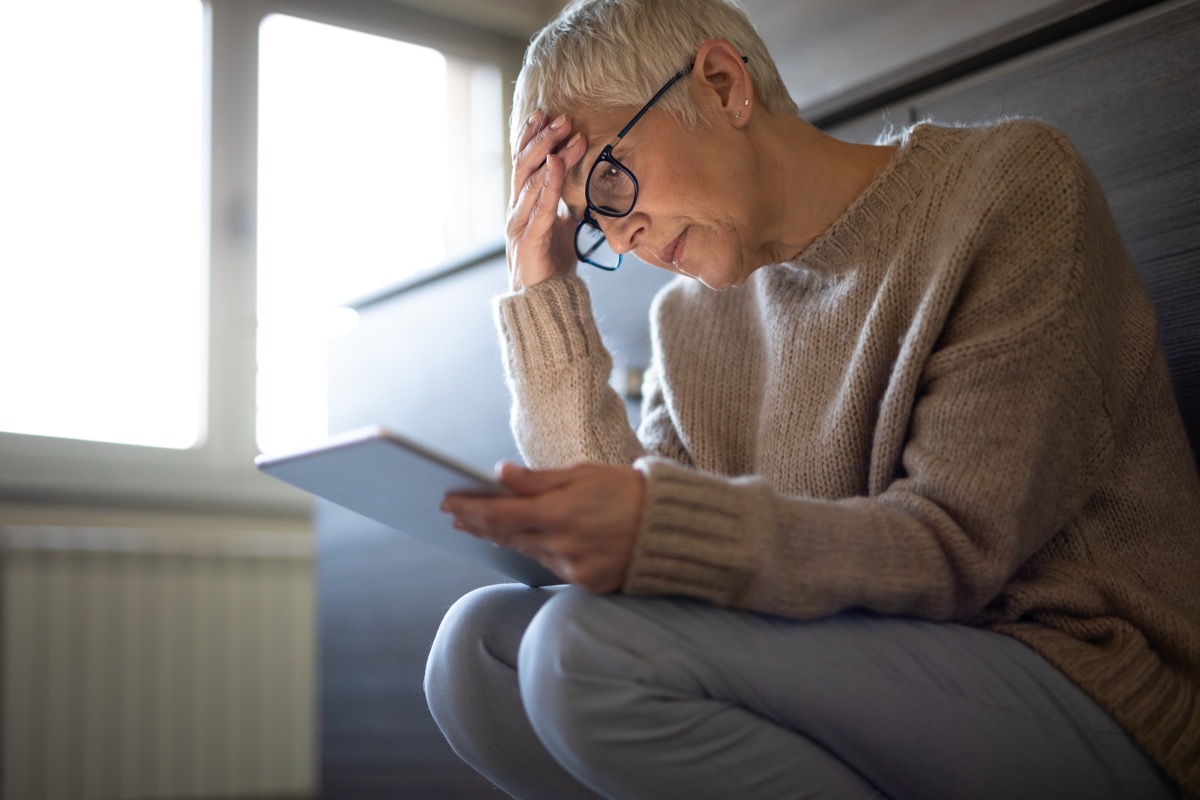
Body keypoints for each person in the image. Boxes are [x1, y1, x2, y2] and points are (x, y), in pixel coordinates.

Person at [427, 0, 1200, 797]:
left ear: (725, 85)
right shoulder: (690, 322)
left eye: (612, 184)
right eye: (593, 226)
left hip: (1078, 677)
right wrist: (544, 291)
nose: (621, 241)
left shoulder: (1008, 190)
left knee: (580, 652)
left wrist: (662, 529)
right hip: (851, 671)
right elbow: (627, 571)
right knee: (476, 653)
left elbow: (952, 550)